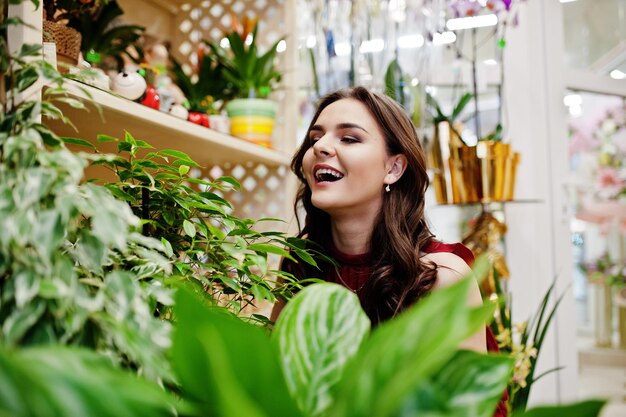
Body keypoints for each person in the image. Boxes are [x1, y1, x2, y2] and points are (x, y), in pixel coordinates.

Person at [271, 86, 507, 416]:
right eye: (315, 139)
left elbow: (466, 408)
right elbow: (272, 388)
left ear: (394, 168)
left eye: (349, 138)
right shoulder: (300, 264)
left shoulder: (439, 276)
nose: (321, 147)